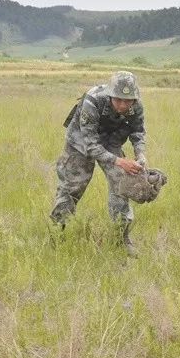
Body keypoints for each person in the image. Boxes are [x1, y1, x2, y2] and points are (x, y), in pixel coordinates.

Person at [50, 71, 147, 255]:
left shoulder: (136, 106)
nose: (123, 105)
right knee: (72, 187)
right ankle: (57, 232)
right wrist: (120, 161)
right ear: (110, 95)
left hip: (112, 142)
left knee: (121, 184)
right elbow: (91, 145)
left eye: (128, 101)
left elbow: (138, 132)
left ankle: (121, 239)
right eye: (118, 100)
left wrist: (140, 154)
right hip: (80, 143)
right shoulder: (93, 100)